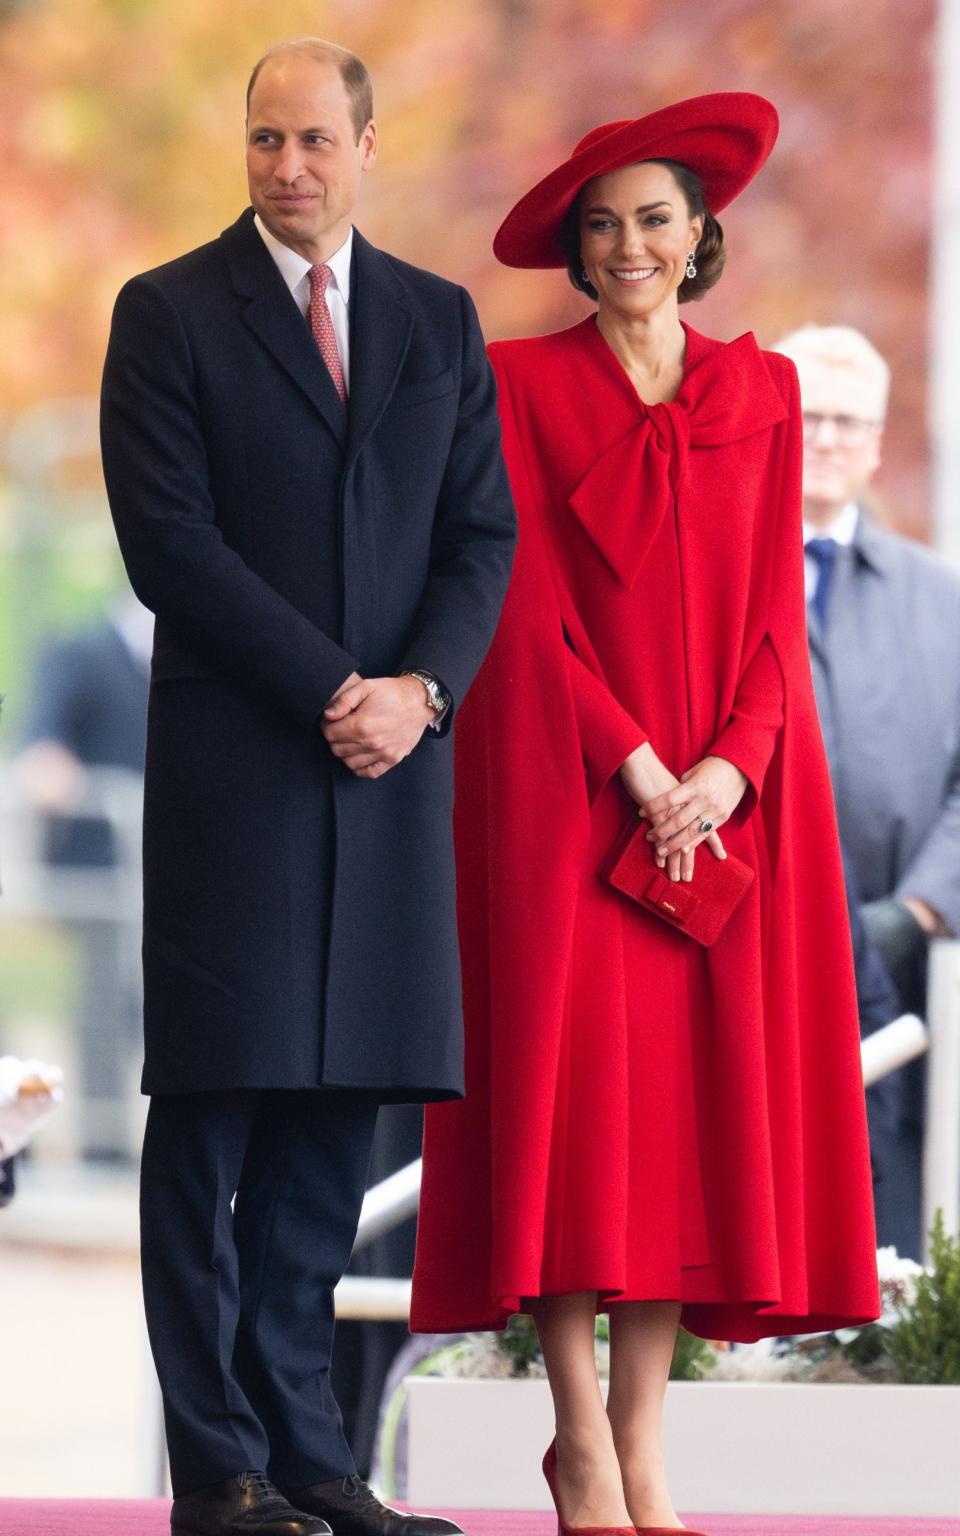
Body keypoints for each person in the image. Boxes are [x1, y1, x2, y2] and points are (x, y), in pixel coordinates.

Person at [411, 94, 879, 1536]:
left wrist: (730, 770)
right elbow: (525, 602)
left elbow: (769, 621)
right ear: (575, 244)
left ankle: (639, 1441)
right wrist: (636, 768)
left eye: (654, 220)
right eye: (602, 224)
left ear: (700, 236)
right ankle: (575, 1438)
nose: (629, 246)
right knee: (571, 1111)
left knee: (681, 1124)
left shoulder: (767, 392)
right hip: (571, 794)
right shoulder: (513, 381)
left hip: (725, 809)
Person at [100, 37, 515, 1536]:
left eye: (313, 141)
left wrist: (421, 695)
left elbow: (483, 539)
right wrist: (337, 688)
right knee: (213, 1126)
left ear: (369, 144)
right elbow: (171, 545)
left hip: (391, 783)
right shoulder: (165, 316)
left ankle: (314, 1459)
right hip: (244, 778)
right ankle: (218, 1473)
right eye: (264, 141)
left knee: (331, 1134)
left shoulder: (438, 321)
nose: (286, 167)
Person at [774, 323, 960, 1258]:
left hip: (898, 970)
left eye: (851, 421)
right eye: (809, 415)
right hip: (749, 950)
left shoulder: (942, 599)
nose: (831, 436)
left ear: (879, 441)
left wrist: (922, 909)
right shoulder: (709, 573)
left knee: (883, 1225)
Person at [18, 589, 151, 1162]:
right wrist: (51, 769)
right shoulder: (81, 653)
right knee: (102, 1005)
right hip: (101, 876)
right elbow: (43, 747)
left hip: (178, 876)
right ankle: (104, 1144)